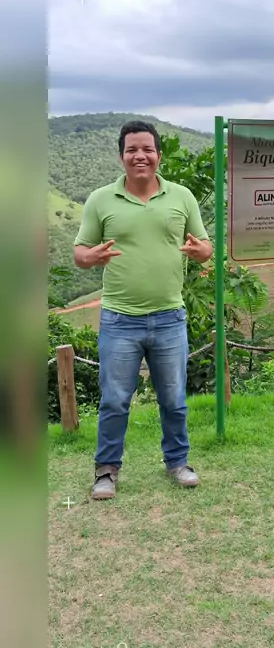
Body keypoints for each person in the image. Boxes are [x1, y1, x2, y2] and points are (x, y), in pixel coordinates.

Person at [73, 120, 213, 500]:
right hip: (119, 319)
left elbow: (205, 247)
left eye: (147, 149)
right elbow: (80, 253)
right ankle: (106, 470)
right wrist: (91, 257)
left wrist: (199, 251)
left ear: (158, 155)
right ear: (121, 156)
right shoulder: (100, 200)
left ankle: (178, 463)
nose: (140, 156)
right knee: (115, 400)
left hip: (170, 317)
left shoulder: (181, 196)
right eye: (132, 149)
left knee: (174, 398)